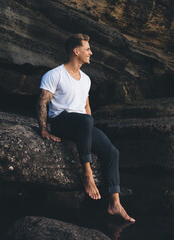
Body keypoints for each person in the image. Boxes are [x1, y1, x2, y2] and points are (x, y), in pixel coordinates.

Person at [37, 33, 135, 222]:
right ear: (76, 51)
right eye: (88, 49)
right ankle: (87, 173)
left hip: (82, 124)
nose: (91, 52)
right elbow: (42, 103)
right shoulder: (54, 74)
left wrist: (88, 133)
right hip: (61, 122)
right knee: (86, 121)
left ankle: (115, 202)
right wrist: (43, 130)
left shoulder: (86, 79)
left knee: (112, 152)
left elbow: (86, 107)